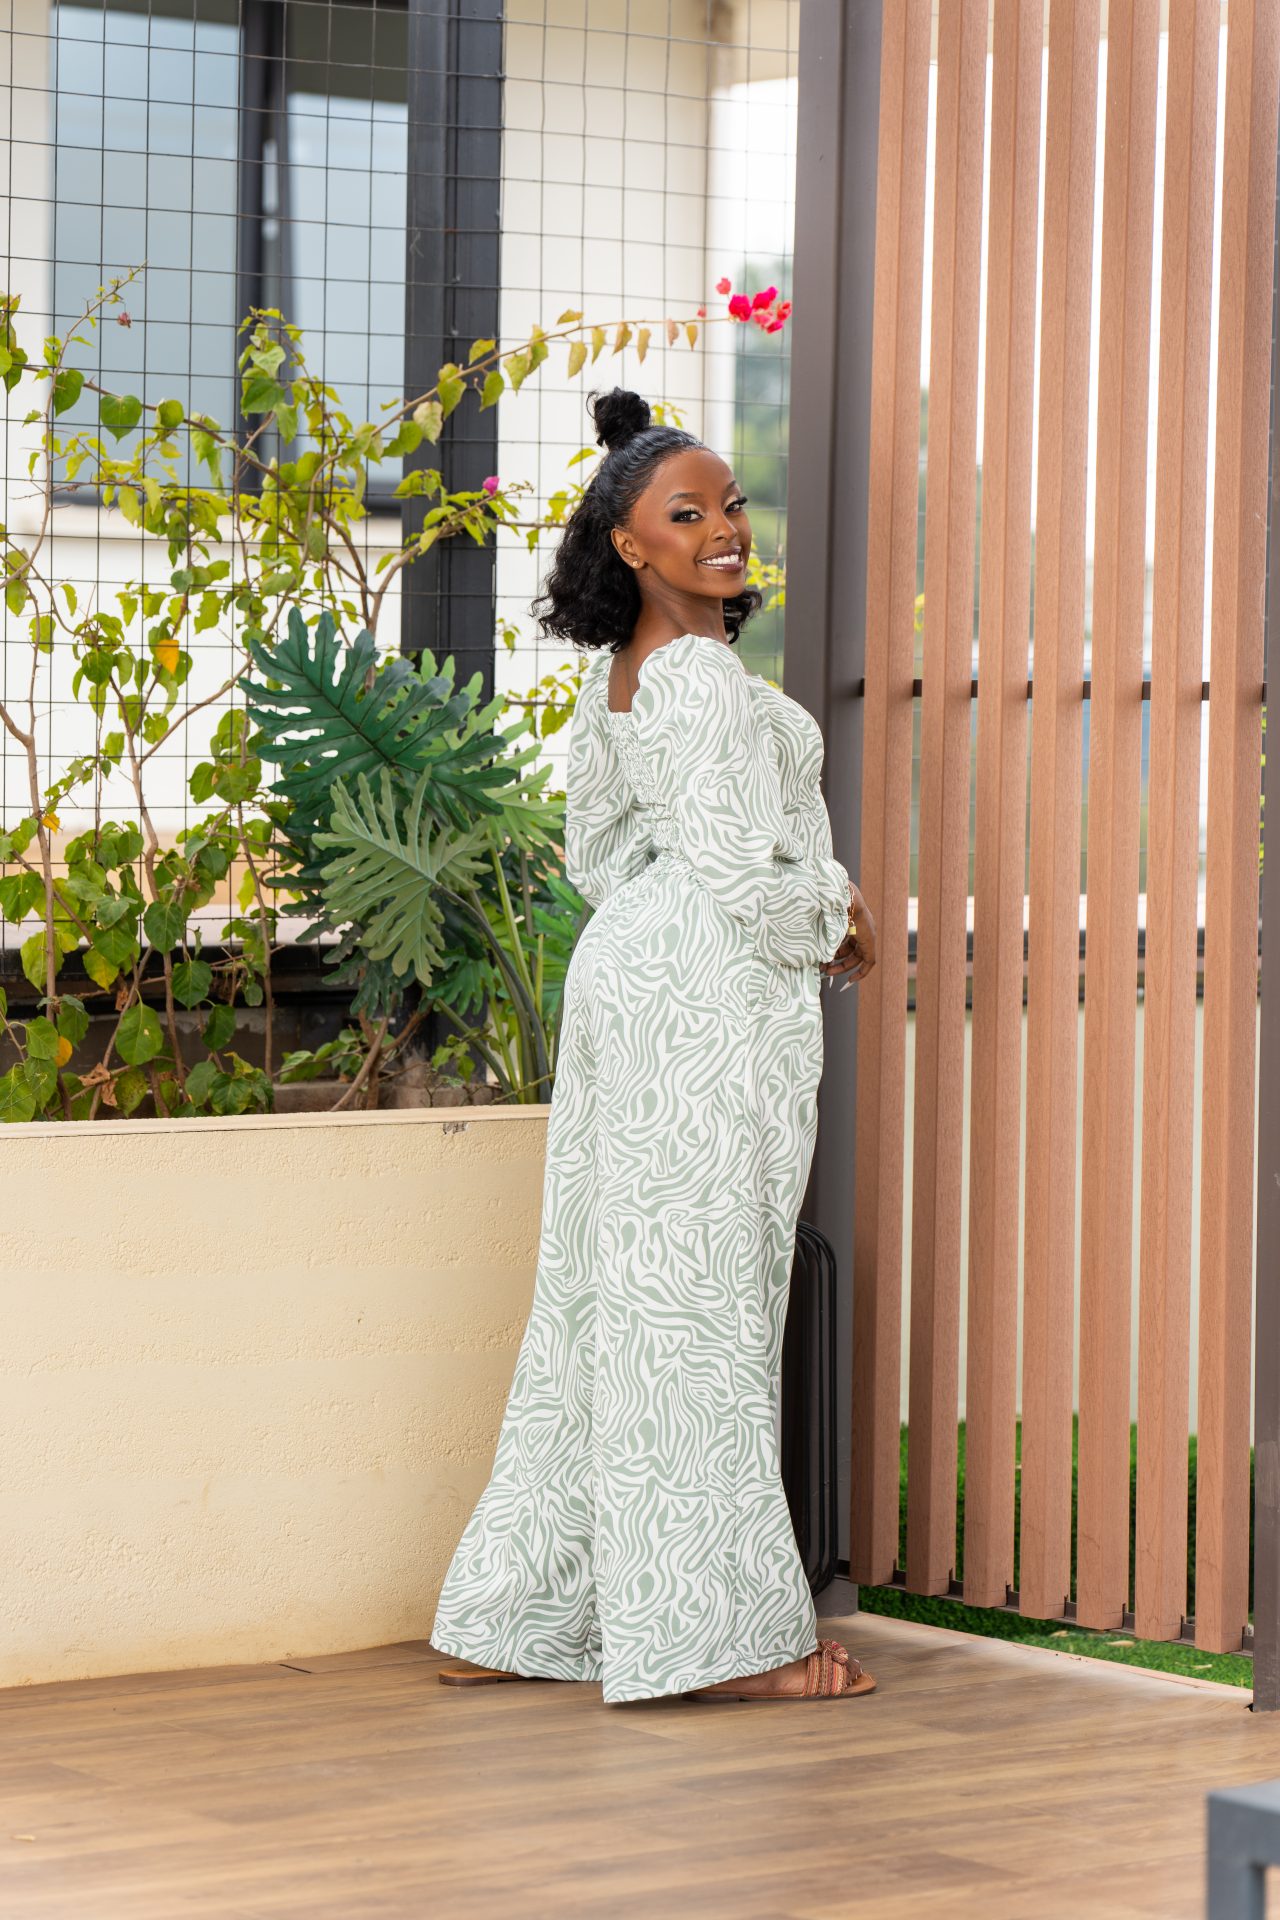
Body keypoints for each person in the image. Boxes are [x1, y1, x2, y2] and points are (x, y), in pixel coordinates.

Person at [429, 386, 878, 1704]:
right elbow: (744, 866)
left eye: (730, 505)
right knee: (701, 1312)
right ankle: (718, 1644)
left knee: (607, 1301)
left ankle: (513, 1615)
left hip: (630, 984)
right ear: (629, 545)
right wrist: (839, 914)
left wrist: (684, 912)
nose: (724, 529)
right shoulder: (696, 674)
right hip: (710, 1002)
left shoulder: (618, 678)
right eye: (688, 515)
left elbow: (598, 854)